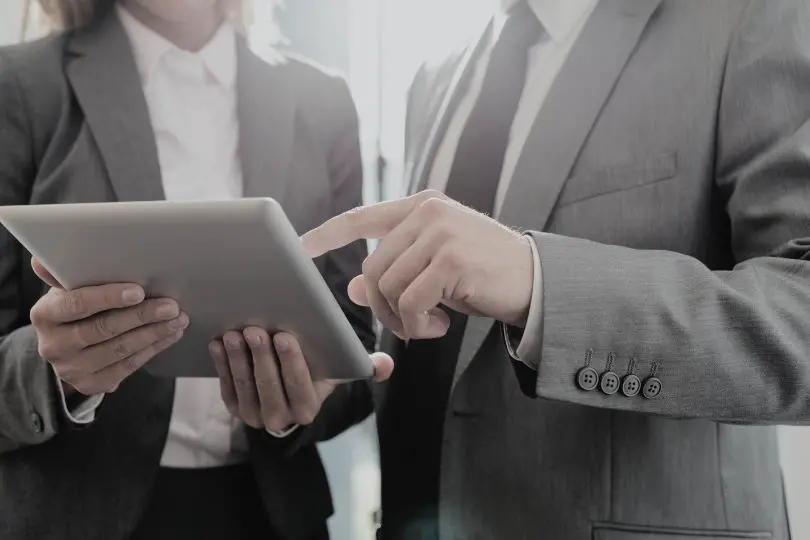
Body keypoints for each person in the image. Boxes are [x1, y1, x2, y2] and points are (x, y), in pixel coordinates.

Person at [301, 0, 810, 538]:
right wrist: (324, 386)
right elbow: (439, 350)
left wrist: (540, 282)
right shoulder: (436, 75)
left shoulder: (747, 16)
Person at [0, 1, 391, 539]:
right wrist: (55, 373)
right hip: (74, 513)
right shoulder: (18, 87)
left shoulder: (321, 100)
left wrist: (308, 398)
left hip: (269, 514)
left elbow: (354, 347)